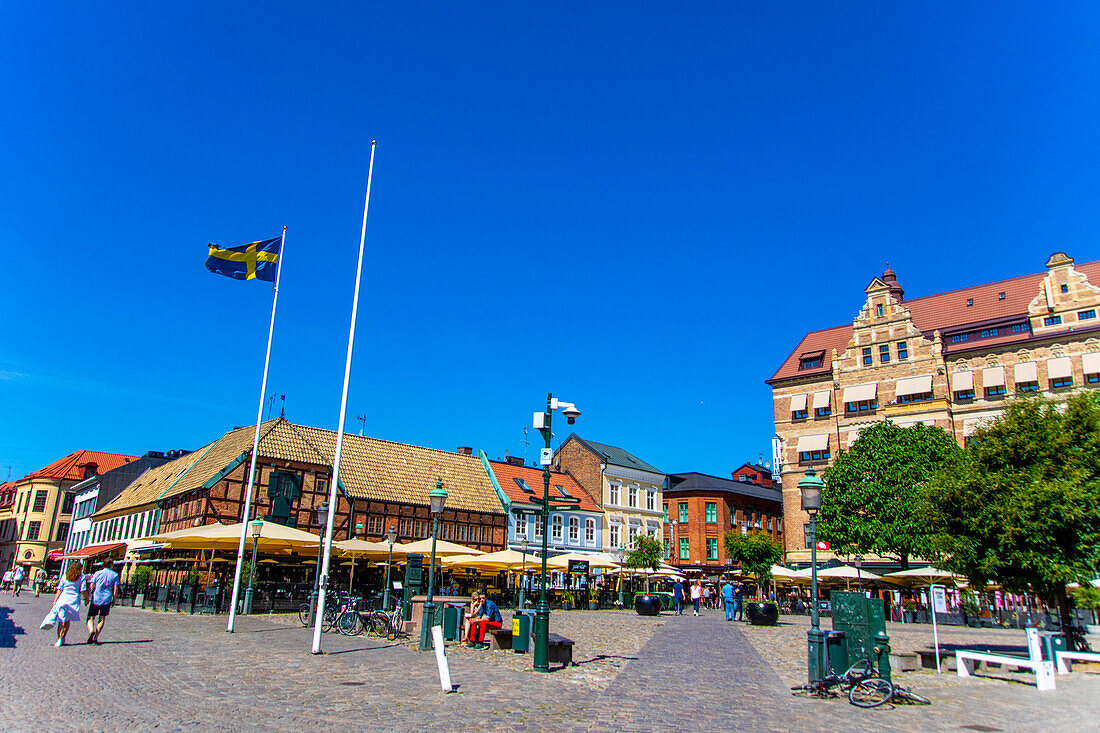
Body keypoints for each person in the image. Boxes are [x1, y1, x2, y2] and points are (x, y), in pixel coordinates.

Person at [50, 563, 88, 647]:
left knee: (61, 620)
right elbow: (83, 590)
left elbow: (59, 589)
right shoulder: (81, 577)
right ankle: (62, 637)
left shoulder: (65, 576)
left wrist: (55, 601)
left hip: (63, 599)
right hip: (73, 600)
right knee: (67, 620)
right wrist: (86, 599)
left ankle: (59, 638)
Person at [87, 558, 121, 644]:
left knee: (91, 617)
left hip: (96, 598)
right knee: (102, 618)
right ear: (111, 565)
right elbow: (115, 588)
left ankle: (91, 631)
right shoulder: (115, 575)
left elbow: (91, 585)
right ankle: (95, 637)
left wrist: (91, 592)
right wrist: (114, 599)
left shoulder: (97, 573)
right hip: (107, 599)